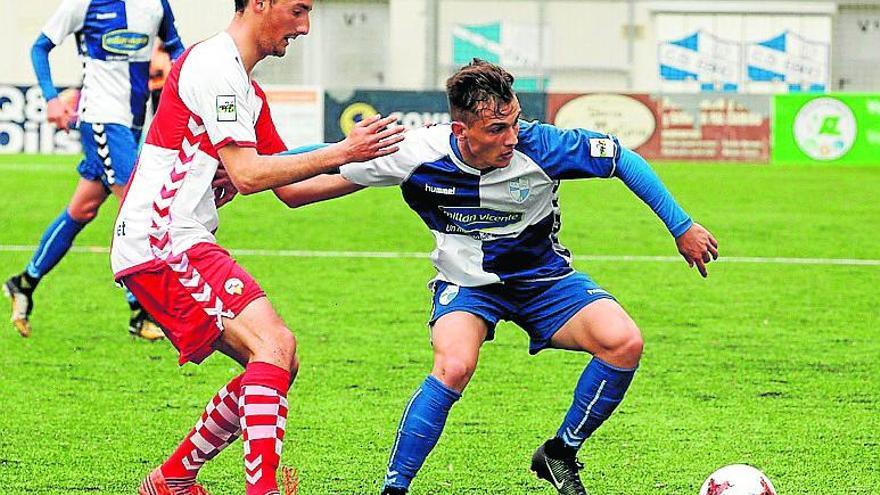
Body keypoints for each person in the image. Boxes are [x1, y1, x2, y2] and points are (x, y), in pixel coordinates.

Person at [273, 59, 719, 495]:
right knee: (453, 365)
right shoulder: (413, 153)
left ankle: (560, 452)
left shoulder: (543, 145)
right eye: (496, 129)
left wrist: (681, 226)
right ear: (460, 131)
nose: (512, 138)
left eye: (514, 123)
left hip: (543, 280)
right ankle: (395, 488)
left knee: (624, 343)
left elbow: (624, 159)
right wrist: (251, 167)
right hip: (467, 285)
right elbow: (310, 168)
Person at [109, 1, 404, 494]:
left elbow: (291, 189)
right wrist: (343, 151)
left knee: (278, 360)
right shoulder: (214, 65)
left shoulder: (245, 87)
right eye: (298, 10)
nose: (305, 27)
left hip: (175, 239)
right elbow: (247, 175)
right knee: (274, 346)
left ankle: (173, 479)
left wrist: (383, 170)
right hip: (162, 239)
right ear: (261, 2)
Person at [3, 0, 185, 340]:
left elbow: (176, 47)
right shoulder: (83, 4)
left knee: (82, 210)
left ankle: (24, 282)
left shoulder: (156, 5)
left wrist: (192, 82)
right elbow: (40, 47)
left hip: (132, 123)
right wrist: (52, 99)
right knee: (138, 208)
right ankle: (140, 310)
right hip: (101, 119)